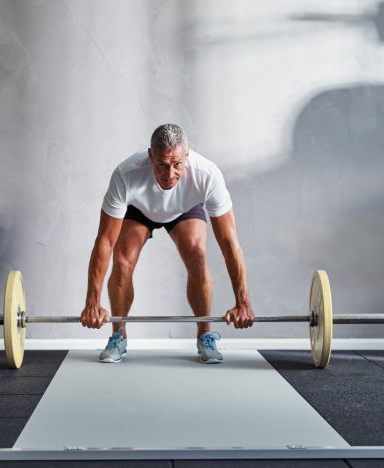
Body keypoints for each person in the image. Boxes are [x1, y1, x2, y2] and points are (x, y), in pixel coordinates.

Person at [80, 123, 254, 363]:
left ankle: (205, 335)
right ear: (150, 155)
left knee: (197, 255)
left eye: (177, 164)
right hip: (139, 209)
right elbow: (105, 242)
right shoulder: (126, 174)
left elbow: (229, 243)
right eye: (162, 164)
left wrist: (242, 302)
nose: (169, 173)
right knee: (122, 260)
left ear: (187, 156)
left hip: (184, 208)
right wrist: (92, 302)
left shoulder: (207, 174)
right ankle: (118, 334)